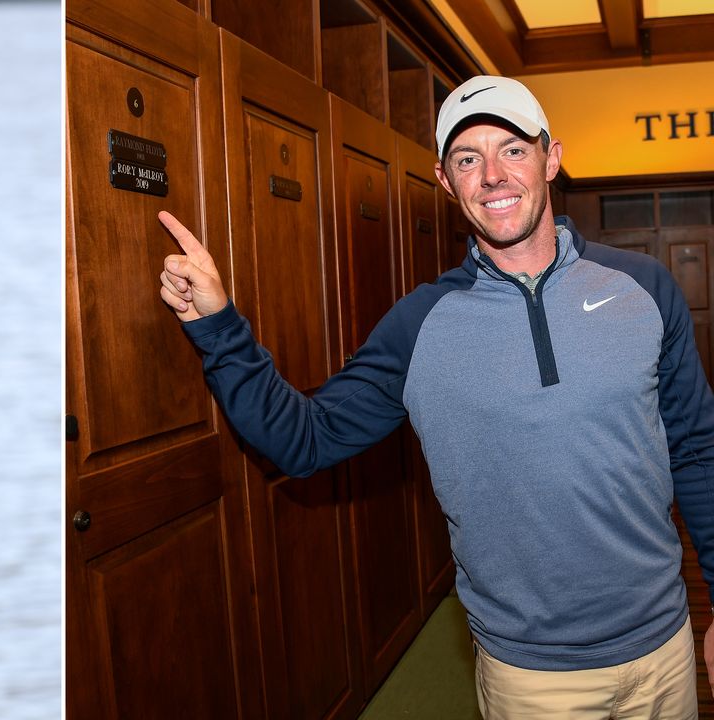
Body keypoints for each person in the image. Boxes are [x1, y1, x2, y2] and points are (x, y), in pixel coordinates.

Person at [158, 75, 714, 718]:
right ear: (446, 182)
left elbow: (698, 452)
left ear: (551, 157)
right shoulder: (420, 325)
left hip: (664, 646)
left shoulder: (642, 286)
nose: (493, 176)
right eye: (468, 159)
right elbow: (302, 441)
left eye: (512, 149)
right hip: (533, 676)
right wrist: (220, 326)